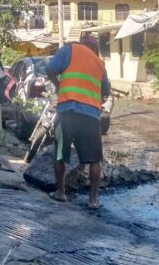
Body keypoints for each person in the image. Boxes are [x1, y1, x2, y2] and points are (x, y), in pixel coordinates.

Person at [46, 33, 111, 210]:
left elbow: (50, 69)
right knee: (94, 159)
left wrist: (59, 87)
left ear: (82, 43)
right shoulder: (99, 63)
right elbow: (106, 90)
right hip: (90, 115)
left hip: (67, 110)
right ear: (95, 49)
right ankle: (93, 200)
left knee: (60, 153)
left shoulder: (69, 50)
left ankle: (61, 192)